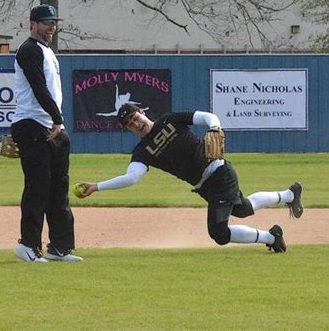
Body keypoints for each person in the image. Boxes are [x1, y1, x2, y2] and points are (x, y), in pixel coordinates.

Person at [77, 104, 303, 252]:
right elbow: (132, 178)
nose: (137, 124)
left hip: (219, 172)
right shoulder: (142, 151)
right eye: (131, 125)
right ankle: (289, 195)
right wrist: (97, 187)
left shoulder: (171, 119)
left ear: (143, 112)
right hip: (207, 186)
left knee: (219, 233)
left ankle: (272, 239)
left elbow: (207, 116)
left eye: (136, 118)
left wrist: (214, 126)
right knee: (243, 208)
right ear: (129, 130)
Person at [11, 4, 82, 263]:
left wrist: (56, 122)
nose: (51, 26)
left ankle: (60, 247)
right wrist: (58, 118)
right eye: (45, 22)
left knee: (58, 188)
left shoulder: (47, 51)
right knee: (38, 187)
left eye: (53, 22)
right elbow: (39, 88)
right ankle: (28, 245)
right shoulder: (28, 50)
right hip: (31, 123)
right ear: (32, 23)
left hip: (52, 126)